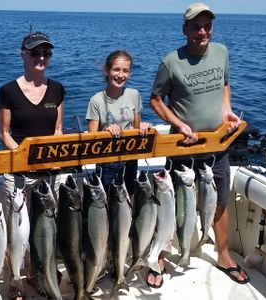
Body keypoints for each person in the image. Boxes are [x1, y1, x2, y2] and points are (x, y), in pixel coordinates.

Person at [148, 2, 248, 288]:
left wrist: (227, 110)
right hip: (183, 147)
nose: (202, 31)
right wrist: (179, 124)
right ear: (185, 30)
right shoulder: (170, 62)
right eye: (196, 27)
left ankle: (224, 255)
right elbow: (155, 100)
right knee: (173, 206)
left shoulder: (222, 52)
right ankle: (161, 256)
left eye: (207, 26)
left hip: (217, 144)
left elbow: (225, 84)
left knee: (220, 203)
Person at [0, 29, 65, 299]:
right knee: (15, 231)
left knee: (44, 228)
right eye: (36, 52)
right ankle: (13, 280)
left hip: (50, 173)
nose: (41, 57)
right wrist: (28, 160)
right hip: (20, 174)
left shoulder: (57, 89)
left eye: (46, 52)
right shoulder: (8, 91)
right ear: (23, 54)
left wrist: (52, 159)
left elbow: (58, 129)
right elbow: (3, 133)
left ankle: (38, 275)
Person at [86, 50, 150, 195]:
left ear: (130, 73)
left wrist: (144, 127)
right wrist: (106, 131)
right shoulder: (96, 100)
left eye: (125, 71)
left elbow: (136, 128)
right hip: (107, 162)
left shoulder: (134, 95)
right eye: (116, 69)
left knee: (129, 199)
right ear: (107, 71)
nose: (120, 75)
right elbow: (91, 139)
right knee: (108, 204)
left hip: (130, 158)